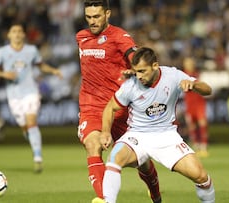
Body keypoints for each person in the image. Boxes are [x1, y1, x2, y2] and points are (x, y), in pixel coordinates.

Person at [99, 47, 215, 203]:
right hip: (137, 136)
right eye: (136, 71)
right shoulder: (130, 85)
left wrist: (194, 85)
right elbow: (110, 108)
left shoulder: (173, 76)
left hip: (167, 136)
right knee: (114, 158)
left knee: (201, 176)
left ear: (155, 66)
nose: (138, 76)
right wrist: (105, 132)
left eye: (142, 71)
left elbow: (207, 90)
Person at [75, 1, 160, 203]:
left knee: (142, 162)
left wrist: (135, 69)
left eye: (97, 16)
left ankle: (155, 193)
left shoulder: (119, 36)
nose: (92, 21)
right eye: (89, 17)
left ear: (108, 14)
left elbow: (134, 55)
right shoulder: (81, 37)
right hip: (91, 107)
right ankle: (105, 199)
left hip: (120, 108)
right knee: (92, 145)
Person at [0, 24, 63, 173]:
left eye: (20, 31)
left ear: (23, 35)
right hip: (14, 96)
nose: (17, 34)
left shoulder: (31, 50)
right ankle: (34, 144)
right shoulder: (2, 52)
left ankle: (37, 158)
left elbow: (41, 66)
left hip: (31, 92)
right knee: (25, 127)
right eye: (13, 31)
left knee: (31, 122)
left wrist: (53, 70)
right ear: (8, 35)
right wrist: (3, 74)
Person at [182, 56, 210, 157]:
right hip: (189, 104)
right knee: (192, 126)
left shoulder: (197, 74)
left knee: (202, 124)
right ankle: (196, 146)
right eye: (187, 63)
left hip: (199, 103)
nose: (188, 65)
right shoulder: (182, 75)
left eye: (190, 63)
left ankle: (204, 147)